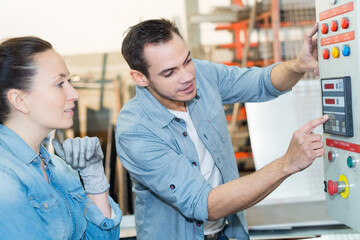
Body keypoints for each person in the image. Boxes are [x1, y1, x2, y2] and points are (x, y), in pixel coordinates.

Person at [115, 18, 328, 240]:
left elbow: (261, 82)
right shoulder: (135, 131)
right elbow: (203, 204)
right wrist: (287, 164)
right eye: (169, 73)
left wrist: (297, 66)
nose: (188, 77)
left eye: (187, 61)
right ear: (140, 78)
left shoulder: (203, 75)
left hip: (227, 232)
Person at [0, 36, 122, 239]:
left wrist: (94, 179)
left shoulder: (59, 168)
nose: (73, 94)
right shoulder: (5, 178)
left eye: (69, 81)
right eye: (59, 84)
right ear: (19, 100)